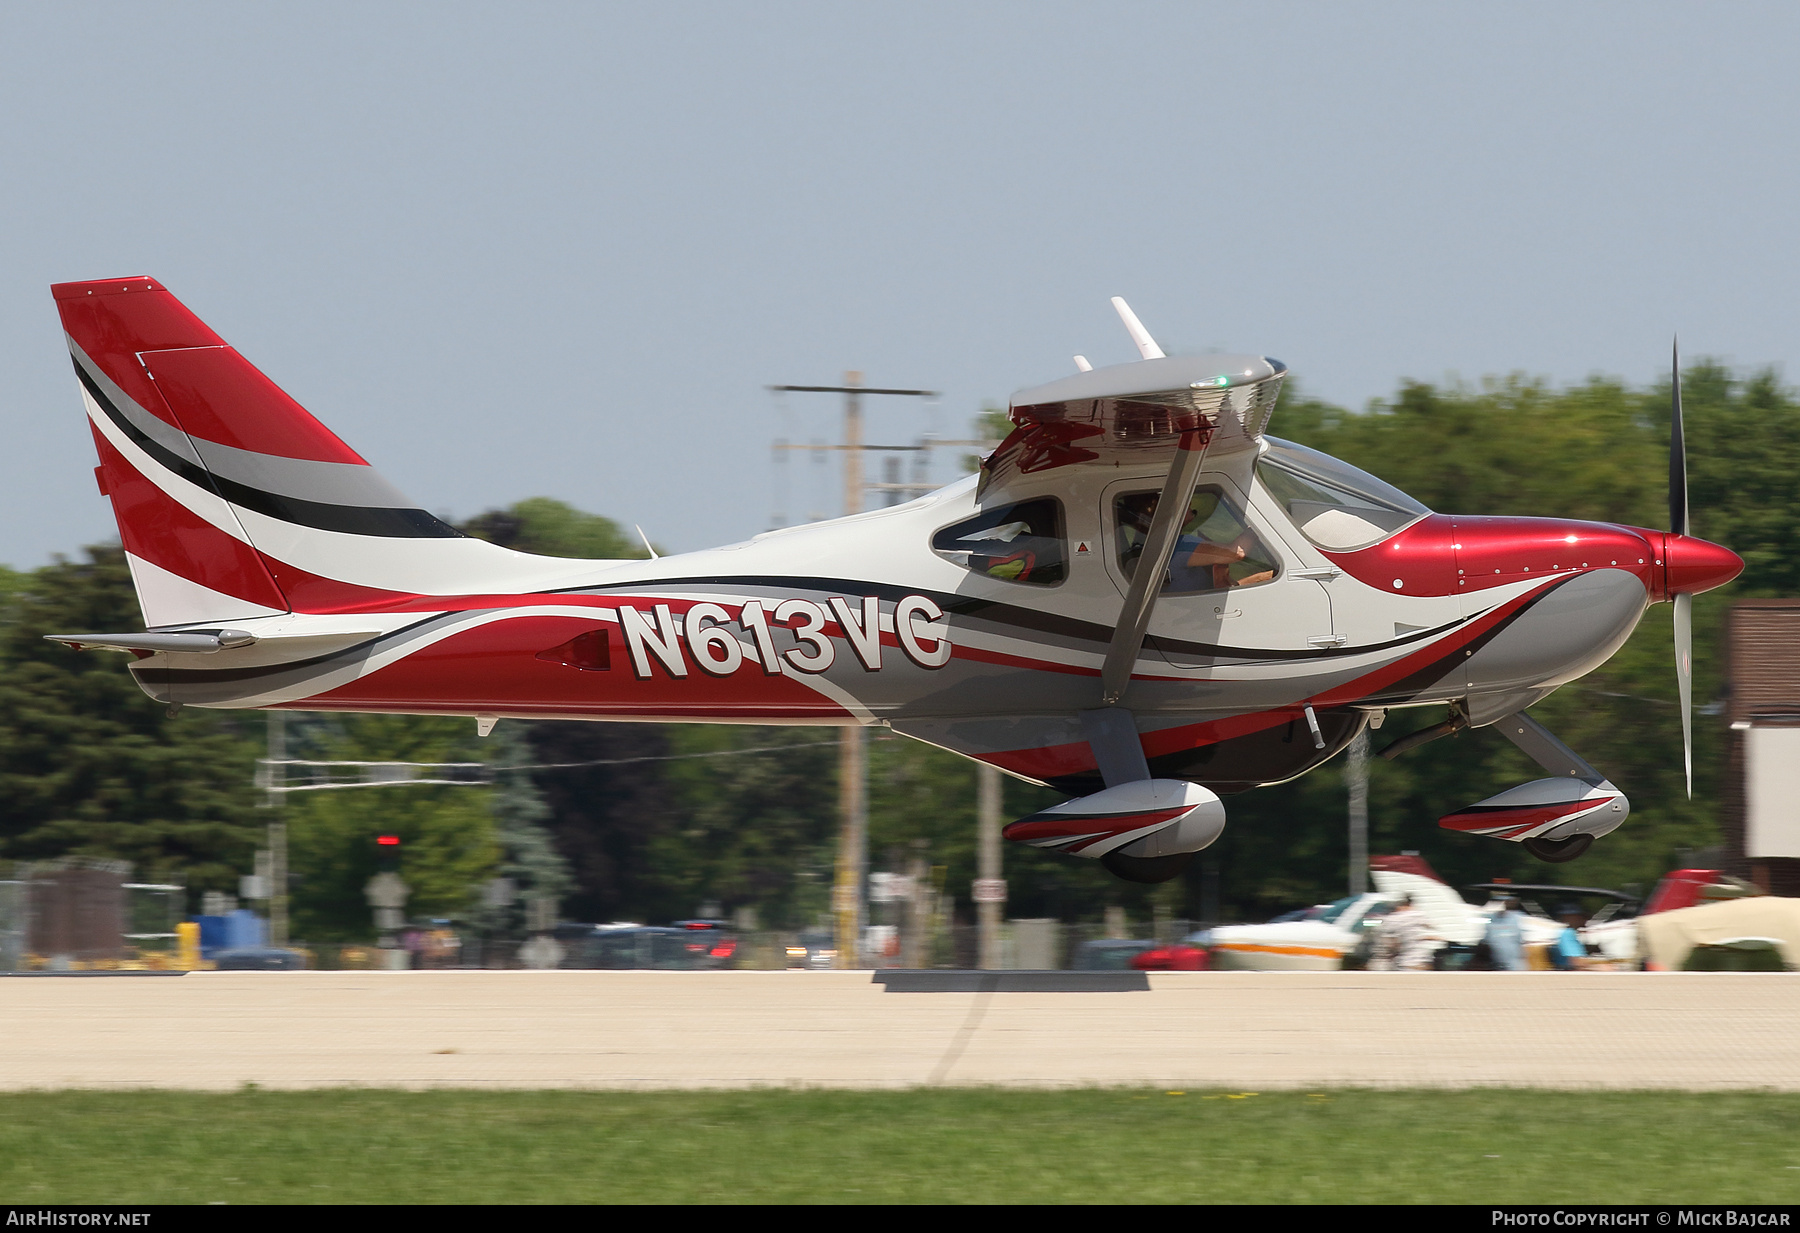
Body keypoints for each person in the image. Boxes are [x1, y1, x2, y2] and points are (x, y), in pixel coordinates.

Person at [1374, 895, 1439, 971]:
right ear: (1410, 904)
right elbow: (1433, 926)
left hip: (1398, 962)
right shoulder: (1417, 915)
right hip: (1415, 961)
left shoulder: (1390, 919)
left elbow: (1389, 941)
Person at [1483, 898, 1528, 972]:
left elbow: (1524, 940)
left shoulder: (1518, 918)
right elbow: (1487, 941)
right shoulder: (1491, 919)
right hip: (1496, 963)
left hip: (1515, 963)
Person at [1551, 903, 1592, 971]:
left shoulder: (1568, 932)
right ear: (1567, 917)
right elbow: (1578, 962)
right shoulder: (1567, 933)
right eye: (1580, 916)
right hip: (1568, 972)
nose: (1585, 920)